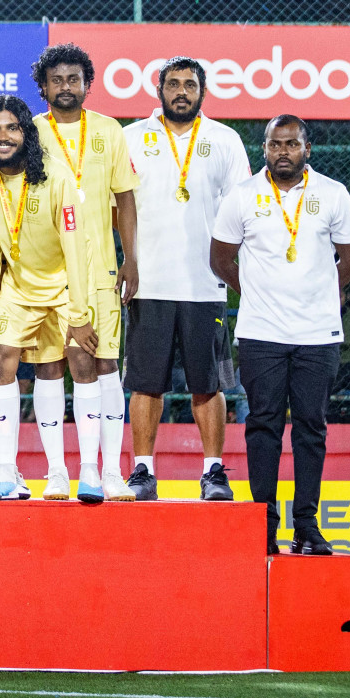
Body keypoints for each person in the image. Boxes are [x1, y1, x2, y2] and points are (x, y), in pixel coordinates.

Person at [211, 115, 350, 555]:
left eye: (292, 144)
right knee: (263, 427)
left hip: (318, 334)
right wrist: (255, 292)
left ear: (307, 149)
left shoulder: (332, 193)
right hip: (261, 333)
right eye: (275, 144)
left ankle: (306, 526)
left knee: (311, 429)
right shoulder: (243, 196)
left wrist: (321, 294)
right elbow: (220, 258)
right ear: (264, 148)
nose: (283, 151)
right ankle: (264, 523)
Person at [121, 56, 250, 501]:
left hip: (205, 283)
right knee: (145, 382)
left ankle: (214, 472)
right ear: (159, 91)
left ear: (202, 91)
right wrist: (128, 262)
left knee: (207, 383)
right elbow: (120, 207)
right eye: (173, 84)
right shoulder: (130, 138)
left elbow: (242, 213)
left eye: (189, 84)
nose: (181, 91)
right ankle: (142, 470)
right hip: (148, 282)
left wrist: (234, 273)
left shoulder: (226, 139)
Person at [0, 95, 97, 500]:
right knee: (1, 360)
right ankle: (9, 472)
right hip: (19, 288)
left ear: (26, 132)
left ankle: (87, 471)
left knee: (78, 360)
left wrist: (79, 312)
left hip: (64, 285)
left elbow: (77, 250)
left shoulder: (55, 178)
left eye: (12, 127)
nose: (2, 136)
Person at [31, 43, 140, 501]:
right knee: (52, 365)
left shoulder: (110, 130)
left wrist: (130, 257)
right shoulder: (30, 131)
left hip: (99, 268)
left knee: (105, 365)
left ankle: (106, 471)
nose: (66, 86)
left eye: (73, 79)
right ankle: (58, 471)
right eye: (56, 80)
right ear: (43, 87)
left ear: (87, 85)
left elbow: (127, 197)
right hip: (46, 272)